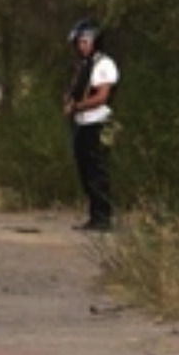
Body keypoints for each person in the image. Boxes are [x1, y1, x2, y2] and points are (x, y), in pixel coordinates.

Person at [62, 19, 117, 232]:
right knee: (85, 171)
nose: (81, 46)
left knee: (97, 171)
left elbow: (102, 96)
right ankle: (95, 216)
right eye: (79, 43)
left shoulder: (104, 65)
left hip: (99, 123)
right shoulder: (85, 65)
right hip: (83, 124)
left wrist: (78, 106)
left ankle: (104, 217)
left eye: (85, 42)